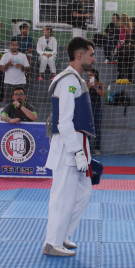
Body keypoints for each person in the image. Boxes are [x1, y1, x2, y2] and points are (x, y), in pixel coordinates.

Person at [44, 37, 97, 256]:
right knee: (63, 196)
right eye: (91, 55)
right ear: (79, 55)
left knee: (84, 192)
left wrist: (82, 152)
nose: (94, 59)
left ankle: (63, 234)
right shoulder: (68, 81)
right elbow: (64, 122)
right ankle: (52, 243)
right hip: (69, 147)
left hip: (78, 144)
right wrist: (77, 152)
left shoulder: (76, 80)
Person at [87, 68, 105, 155]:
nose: (89, 77)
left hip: (97, 106)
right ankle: (88, 147)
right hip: (88, 106)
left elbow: (103, 94)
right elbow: (83, 94)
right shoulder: (86, 84)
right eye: (88, 75)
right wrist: (88, 87)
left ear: (95, 75)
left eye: (91, 75)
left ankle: (97, 148)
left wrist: (95, 87)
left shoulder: (101, 84)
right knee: (88, 127)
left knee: (97, 127)